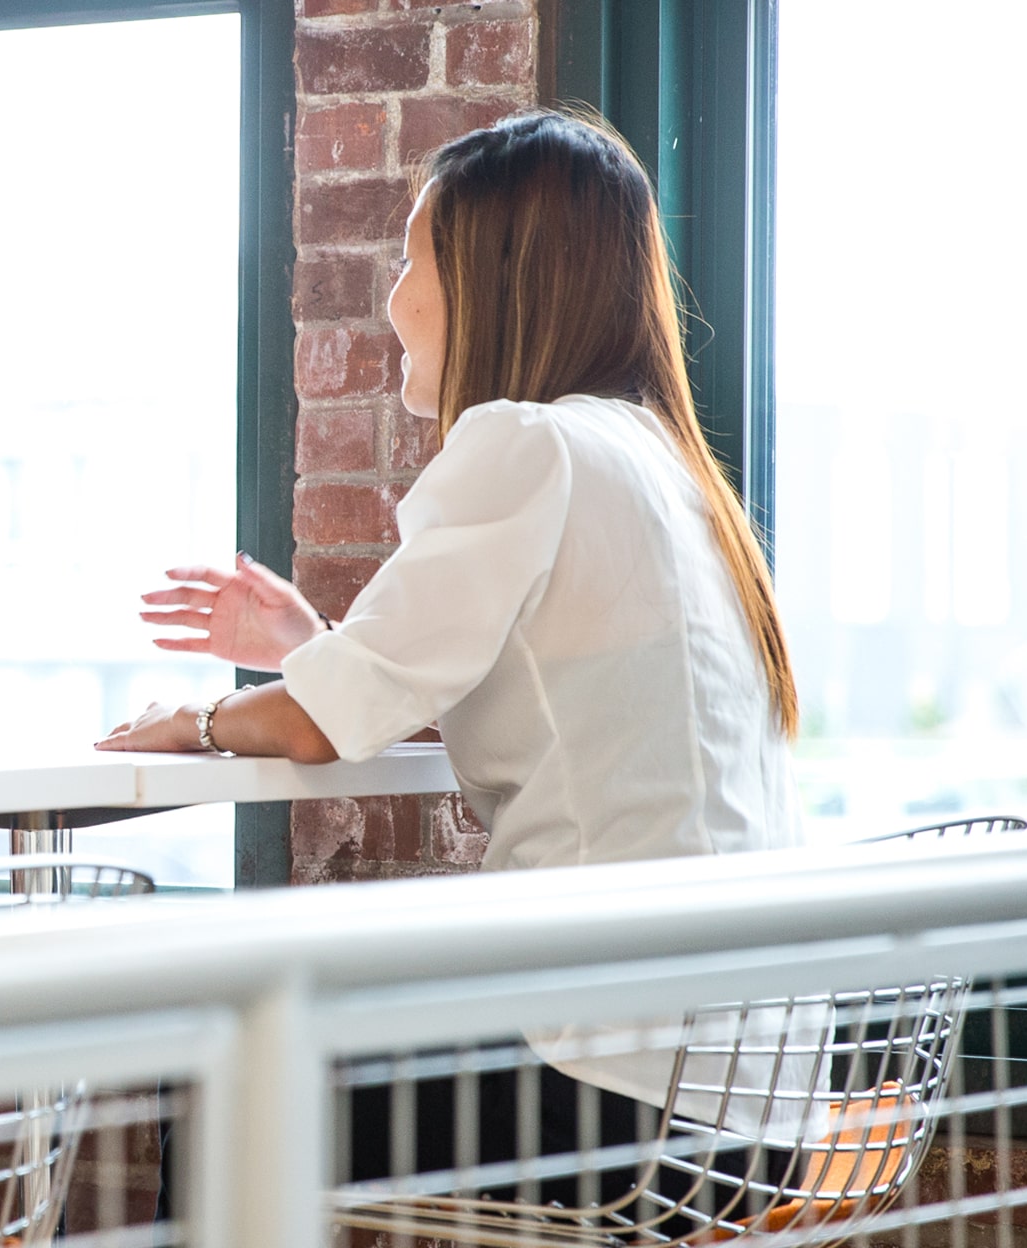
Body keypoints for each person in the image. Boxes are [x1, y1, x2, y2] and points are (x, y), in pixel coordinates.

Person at [97, 112, 806, 1202]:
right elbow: (532, 677)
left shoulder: (528, 443)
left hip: (620, 1094)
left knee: (234, 1078)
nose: (390, 297)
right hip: (750, 1094)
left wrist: (194, 723)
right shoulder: (658, 461)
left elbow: (311, 726)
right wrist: (309, 649)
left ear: (490, 278)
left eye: (410, 257)